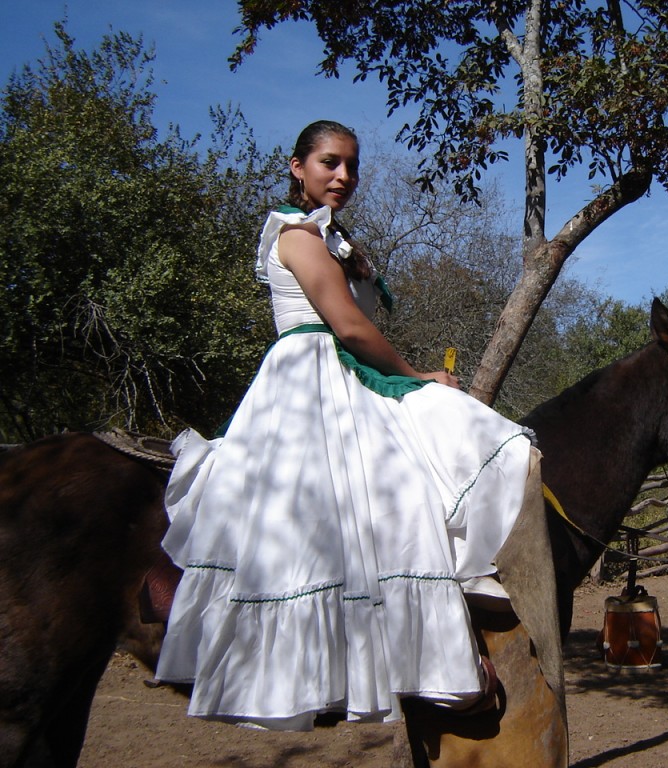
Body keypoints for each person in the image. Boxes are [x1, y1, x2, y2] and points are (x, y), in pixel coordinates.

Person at [155, 120, 537, 730]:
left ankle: (456, 601)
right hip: (311, 377)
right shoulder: (298, 236)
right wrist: (418, 376)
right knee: (384, 488)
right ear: (296, 166)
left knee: (402, 483)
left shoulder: (336, 240)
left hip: (343, 370)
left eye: (351, 166)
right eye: (330, 163)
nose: (343, 176)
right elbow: (352, 328)